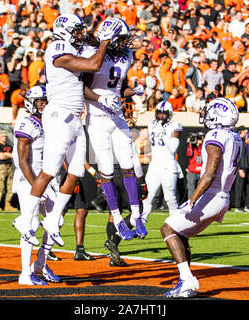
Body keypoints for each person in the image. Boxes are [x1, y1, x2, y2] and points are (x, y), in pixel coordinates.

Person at [12, 14, 123, 247]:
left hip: (74, 116)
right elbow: (93, 64)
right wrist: (102, 43)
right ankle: (24, 219)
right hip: (59, 114)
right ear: (63, 30)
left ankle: (53, 219)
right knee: (51, 169)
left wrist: (104, 41)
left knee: (76, 171)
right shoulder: (57, 47)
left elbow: (90, 72)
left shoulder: (72, 47)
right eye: (76, 30)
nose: (79, 34)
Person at [161, 97, 242, 298]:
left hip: (212, 194)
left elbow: (210, 172)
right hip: (223, 195)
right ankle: (185, 280)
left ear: (218, 115)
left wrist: (192, 200)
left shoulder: (215, 134)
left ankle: (187, 279)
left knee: (167, 228)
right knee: (182, 234)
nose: (204, 114)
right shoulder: (234, 135)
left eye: (208, 111)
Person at [81, 18, 147, 242]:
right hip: (97, 118)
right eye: (122, 39)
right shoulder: (94, 54)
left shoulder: (127, 56)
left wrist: (134, 90)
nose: (126, 43)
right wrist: (100, 99)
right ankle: (117, 217)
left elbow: (120, 87)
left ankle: (137, 214)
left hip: (116, 115)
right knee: (107, 169)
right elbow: (83, 89)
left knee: (128, 163)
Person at [12, 85, 60, 285]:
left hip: (46, 177)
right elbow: (23, 162)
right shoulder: (26, 123)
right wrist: (36, 188)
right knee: (30, 224)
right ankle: (25, 273)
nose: (43, 105)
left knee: (55, 222)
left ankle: (40, 263)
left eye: (45, 101)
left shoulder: (47, 122)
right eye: (39, 101)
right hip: (28, 178)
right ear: (31, 103)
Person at [141, 101, 182, 221]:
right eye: (159, 113)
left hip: (168, 165)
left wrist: (163, 135)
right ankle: (141, 223)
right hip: (155, 165)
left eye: (164, 114)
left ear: (169, 114)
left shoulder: (175, 125)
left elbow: (173, 148)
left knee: (170, 198)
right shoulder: (152, 124)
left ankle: (176, 224)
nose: (161, 116)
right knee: (147, 197)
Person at [0, 130, 16, 211]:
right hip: (1, 167)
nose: (4, 138)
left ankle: (8, 204)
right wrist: (8, 155)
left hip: (9, 167)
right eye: (2, 136)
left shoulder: (9, 146)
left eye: (5, 136)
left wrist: (5, 154)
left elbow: (14, 155)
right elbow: (1, 157)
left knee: (10, 186)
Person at [234, 127, 249, 212]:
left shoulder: (246, 143)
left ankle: (248, 205)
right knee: (239, 187)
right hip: (241, 167)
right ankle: (238, 206)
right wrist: (239, 168)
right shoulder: (238, 142)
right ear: (240, 132)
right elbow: (237, 156)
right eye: (244, 132)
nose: (246, 133)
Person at [186, 131, 204, 199]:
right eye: (198, 138)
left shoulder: (204, 147)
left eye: (200, 138)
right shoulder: (192, 147)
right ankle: (190, 204)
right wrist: (190, 143)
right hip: (192, 171)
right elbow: (189, 154)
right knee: (191, 189)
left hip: (201, 172)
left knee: (201, 190)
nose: (199, 140)